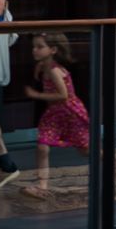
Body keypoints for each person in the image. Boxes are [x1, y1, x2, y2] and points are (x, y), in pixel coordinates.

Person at [20, 32, 90, 199]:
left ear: (53, 49)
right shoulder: (44, 66)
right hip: (54, 115)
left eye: (39, 47)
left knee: (84, 149)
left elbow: (63, 95)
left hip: (69, 113)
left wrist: (36, 95)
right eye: (34, 47)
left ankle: (109, 161)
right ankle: (42, 186)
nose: (34, 50)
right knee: (42, 146)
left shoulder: (54, 70)